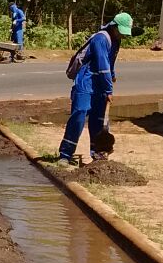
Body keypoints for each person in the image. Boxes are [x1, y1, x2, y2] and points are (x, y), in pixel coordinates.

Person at [57, 12, 133, 166]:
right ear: (114, 26)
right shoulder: (100, 39)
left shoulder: (116, 40)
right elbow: (102, 65)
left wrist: (112, 76)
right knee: (79, 114)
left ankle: (98, 154)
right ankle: (65, 154)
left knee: (99, 120)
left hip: (101, 85)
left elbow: (110, 63)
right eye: (121, 31)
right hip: (86, 81)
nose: (123, 35)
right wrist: (109, 89)